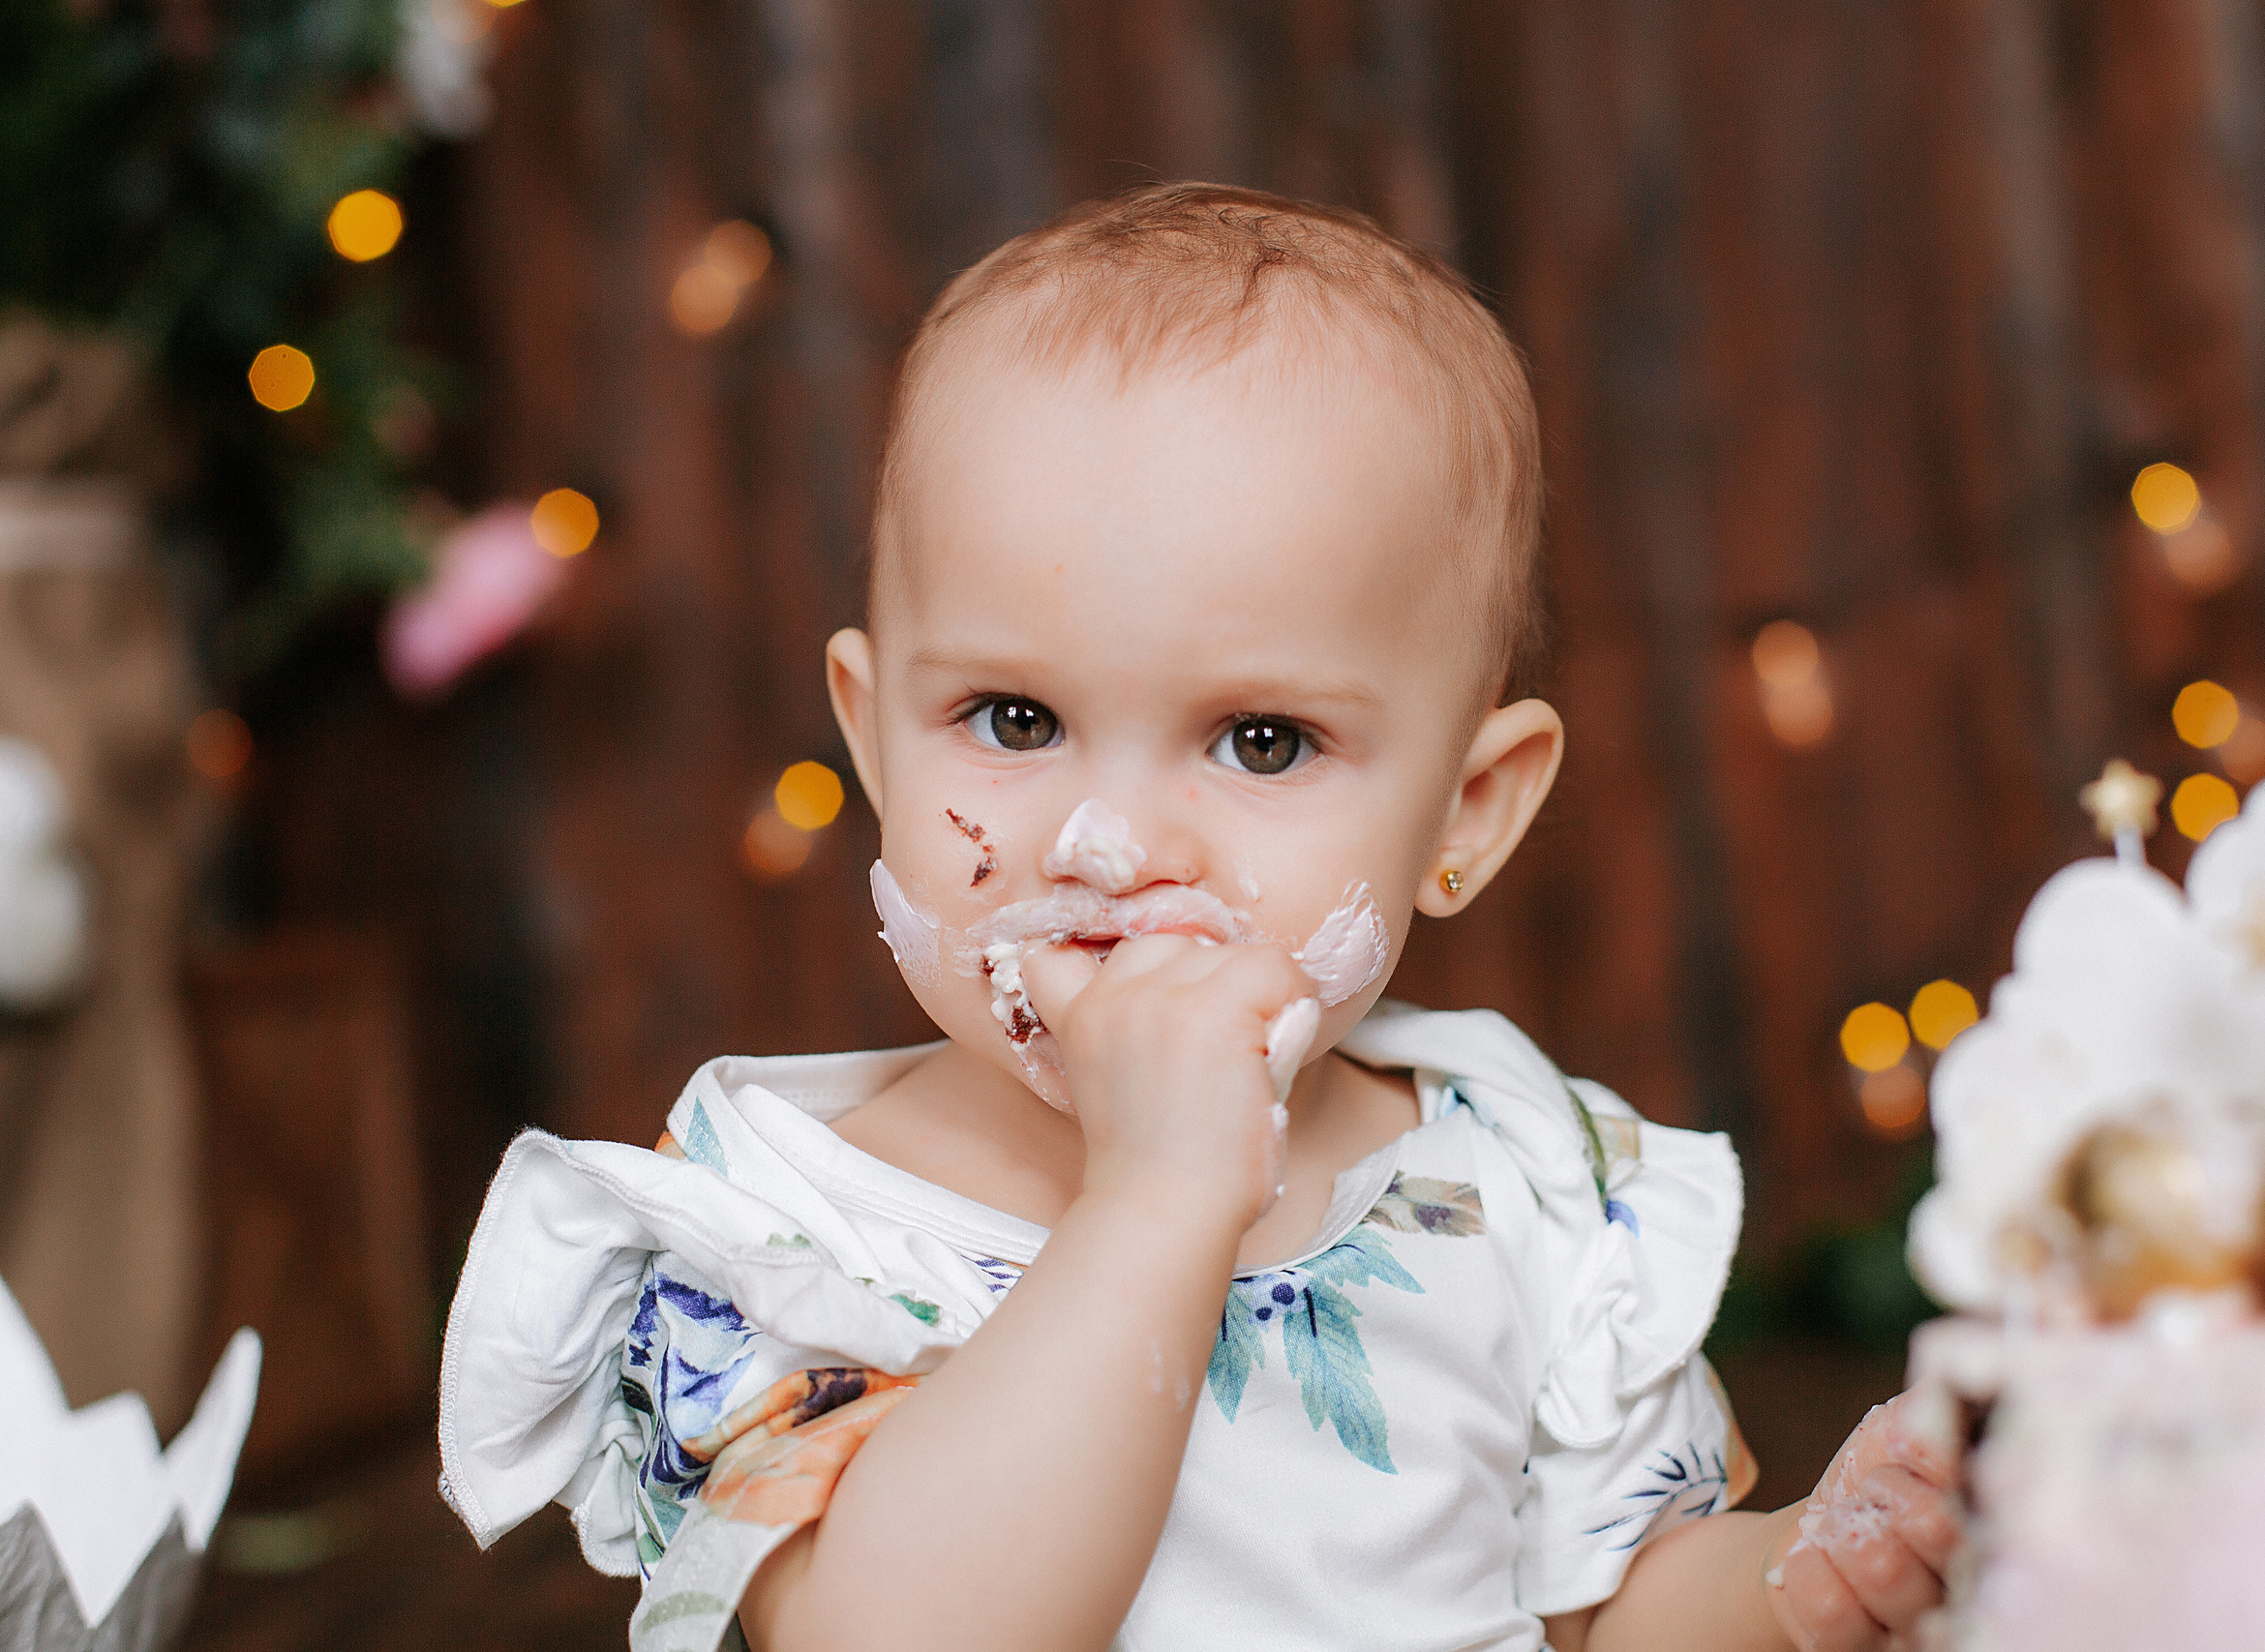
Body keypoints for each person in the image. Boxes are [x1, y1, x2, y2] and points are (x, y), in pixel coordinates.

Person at [438, 183, 1959, 1652]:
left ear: (1467, 812)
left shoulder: (1516, 1177)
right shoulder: (781, 1229)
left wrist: (1800, 1578)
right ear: (869, 735)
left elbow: (1610, 1607)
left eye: (1262, 742)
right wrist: (1156, 1200)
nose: (1114, 848)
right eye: (1015, 718)